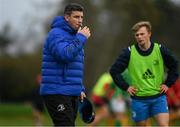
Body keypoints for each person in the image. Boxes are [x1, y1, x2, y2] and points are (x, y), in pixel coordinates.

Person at [110, 21, 179, 126]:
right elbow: (114, 71)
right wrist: (126, 87)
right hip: (139, 99)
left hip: (158, 97)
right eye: (137, 35)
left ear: (149, 34)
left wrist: (167, 84)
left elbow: (174, 65)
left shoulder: (160, 50)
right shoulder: (129, 52)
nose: (139, 37)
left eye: (142, 34)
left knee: (163, 125)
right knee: (142, 125)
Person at [40, 3, 91, 126]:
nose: (80, 21)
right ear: (67, 17)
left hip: (71, 92)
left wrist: (80, 88)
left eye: (81, 17)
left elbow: (74, 68)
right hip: (56, 91)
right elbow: (64, 55)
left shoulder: (75, 37)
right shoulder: (56, 34)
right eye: (76, 17)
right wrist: (81, 37)